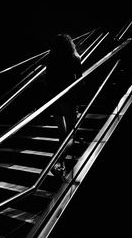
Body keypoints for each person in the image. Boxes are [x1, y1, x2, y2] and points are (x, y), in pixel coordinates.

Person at [45, 33, 82, 181]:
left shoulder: (52, 59)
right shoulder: (74, 58)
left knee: (62, 134)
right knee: (71, 134)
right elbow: (79, 80)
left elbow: (47, 79)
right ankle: (57, 162)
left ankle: (61, 165)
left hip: (56, 99)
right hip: (69, 99)